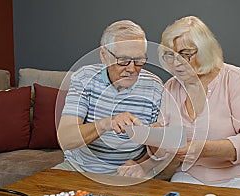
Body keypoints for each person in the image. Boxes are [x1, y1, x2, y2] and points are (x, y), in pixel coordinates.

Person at [150, 16, 240, 192]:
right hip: (192, 174)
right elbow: (164, 151)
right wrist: (153, 136)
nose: (177, 62)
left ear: (204, 50)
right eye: (170, 55)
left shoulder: (234, 78)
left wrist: (204, 149)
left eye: (186, 54)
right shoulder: (171, 87)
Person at [55, 20, 163, 177]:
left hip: (128, 172)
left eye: (139, 61)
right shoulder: (84, 78)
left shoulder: (154, 86)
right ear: (104, 55)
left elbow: (164, 149)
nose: (132, 69)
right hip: (78, 168)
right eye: (123, 61)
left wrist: (143, 165)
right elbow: (66, 139)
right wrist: (107, 123)